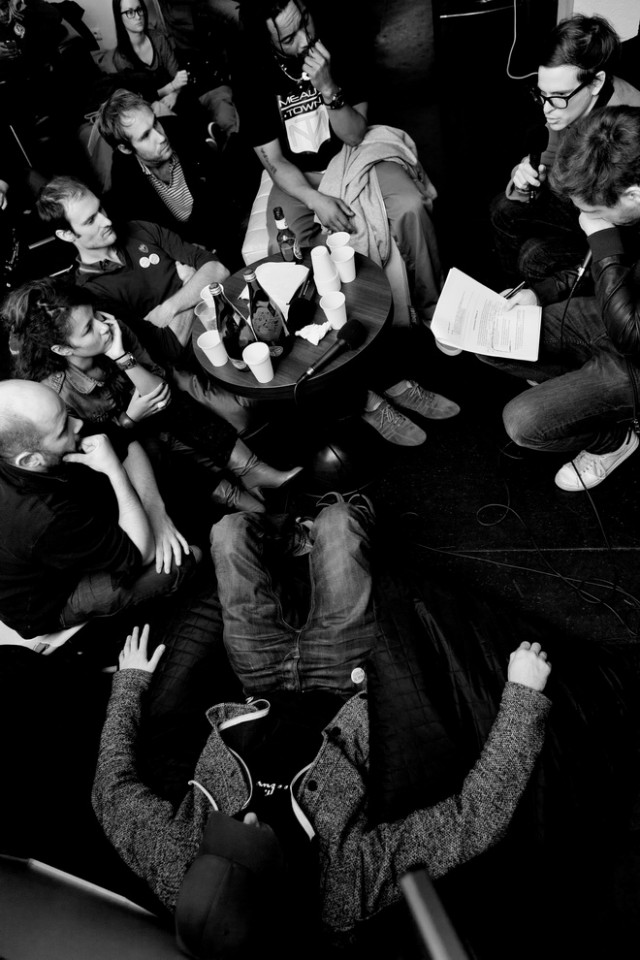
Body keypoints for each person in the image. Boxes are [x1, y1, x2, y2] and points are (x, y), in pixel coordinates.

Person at [93, 596, 551, 954]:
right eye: (254, 837)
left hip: (258, 684)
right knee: (342, 532)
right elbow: (473, 821)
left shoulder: (175, 864)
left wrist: (129, 682)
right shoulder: (346, 887)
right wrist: (522, 698)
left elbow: (110, 791)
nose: (247, 819)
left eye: (225, 833)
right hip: (339, 684)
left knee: (232, 540)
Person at [231, 0, 457, 445]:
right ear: (267, 43)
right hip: (299, 178)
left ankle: (431, 307)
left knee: (410, 205)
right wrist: (316, 199)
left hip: (352, 155)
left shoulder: (340, 44)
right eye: (289, 37)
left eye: (305, 21)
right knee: (292, 260)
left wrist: (327, 85)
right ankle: (368, 387)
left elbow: (355, 133)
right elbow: (275, 161)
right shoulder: (252, 74)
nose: (305, 39)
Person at [4, 277, 304, 512]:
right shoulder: (55, 394)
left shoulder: (113, 329)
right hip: (126, 450)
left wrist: (121, 357)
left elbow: (158, 390)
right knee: (156, 453)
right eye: (87, 330)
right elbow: (96, 457)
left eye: (95, 314)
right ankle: (240, 499)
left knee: (173, 404)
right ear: (62, 349)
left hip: (162, 415)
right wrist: (129, 419)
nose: (103, 327)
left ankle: (252, 470)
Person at [480, 104, 640, 492]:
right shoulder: (628, 199)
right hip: (610, 312)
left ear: (634, 194)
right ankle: (586, 398)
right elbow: (589, 268)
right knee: (489, 333)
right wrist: (537, 293)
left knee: (523, 423)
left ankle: (616, 439)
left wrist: (604, 238)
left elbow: (631, 337)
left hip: (635, 355)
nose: (590, 220)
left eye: (596, 212)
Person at [36, 175, 254, 434]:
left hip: (225, 319)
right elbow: (166, 347)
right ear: (66, 234)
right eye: (90, 220)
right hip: (186, 364)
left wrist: (168, 309)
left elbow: (217, 269)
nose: (106, 220)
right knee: (244, 412)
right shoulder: (90, 292)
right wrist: (193, 282)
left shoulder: (139, 229)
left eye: (100, 209)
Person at [0, 379, 198, 639]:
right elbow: (140, 553)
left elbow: (126, 442)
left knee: (152, 449)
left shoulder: (43, 431)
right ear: (30, 460)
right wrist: (115, 470)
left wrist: (155, 511)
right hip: (53, 599)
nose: (77, 424)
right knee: (183, 561)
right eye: (63, 429)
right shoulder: (44, 518)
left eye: (66, 412)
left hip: (64, 534)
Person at [490, 14, 640, 285]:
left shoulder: (630, 125)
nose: (547, 109)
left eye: (559, 96)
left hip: (617, 223)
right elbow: (547, 156)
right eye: (542, 94)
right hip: (580, 199)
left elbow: (623, 217)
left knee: (534, 257)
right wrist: (526, 175)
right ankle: (510, 298)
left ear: (596, 83)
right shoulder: (566, 108)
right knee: (503, 208)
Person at [97, 89, 241, 261]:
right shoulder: (125, 179)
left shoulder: (181, 130)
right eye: (145, 136)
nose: (160, 137)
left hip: (224, 231)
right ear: (125, 148)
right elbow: (148, 235)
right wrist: (186, 250)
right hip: (184, 255)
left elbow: (223, 194)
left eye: (155, 123)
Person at [111, 0, 239, 143]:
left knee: (188, 100)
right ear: (119, 17)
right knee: (160, 110)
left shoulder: (158, 38)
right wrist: (170, 88)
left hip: (178, 95)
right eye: (130, 12)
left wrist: (174, 93)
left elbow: (178, 75)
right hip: (153, 105)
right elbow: (140, 98)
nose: (138, 16)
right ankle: (204, 138)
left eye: (139, 9)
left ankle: (212, 133)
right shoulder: (121, 58)